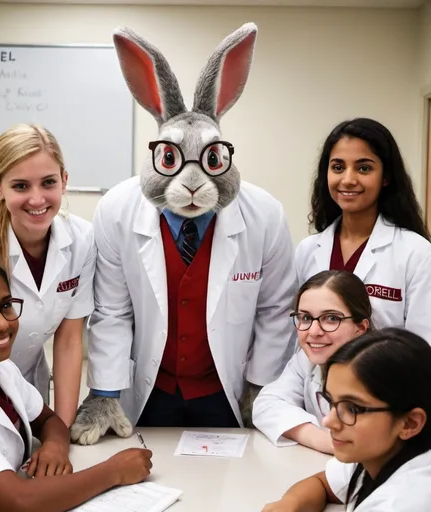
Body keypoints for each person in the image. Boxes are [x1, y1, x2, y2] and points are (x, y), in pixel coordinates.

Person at [70, 23, 298, 445]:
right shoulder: (118, 210)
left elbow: (275, 311)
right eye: (172, 157)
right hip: (150, 387)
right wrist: (104, 392)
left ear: (222, 155)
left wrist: (260, 389)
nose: (191, 181)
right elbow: (112, 312)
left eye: (210, 157)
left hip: (226, 390)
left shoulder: (264, 213)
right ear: (157, 153)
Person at [0, 253, 152, 512]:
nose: (1, 323)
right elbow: (18, 502)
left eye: (6, 305)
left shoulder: (0, 370)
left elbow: (48, 420)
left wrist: (54, 447)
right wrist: (114, 471)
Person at [0, 123, 96, 426]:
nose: (37, 199)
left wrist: (61, 430)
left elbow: (69, 342)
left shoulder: (82, 239)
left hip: (30, 387)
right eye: (20, 186)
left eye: (48, 182)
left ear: (64, 181)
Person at [262, 328, 431, 511]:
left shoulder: (402, 502)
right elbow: (323, 483)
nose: (328, 421)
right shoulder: (378, 454)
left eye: (352, 408)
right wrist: (289, 504)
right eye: (331, 402)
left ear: (409, 423)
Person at [295, 118, 431, 342]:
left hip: (385, 377)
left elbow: (422, 346)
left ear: (385, 177)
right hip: (315, 377)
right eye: (338, 167)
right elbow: (300, 337)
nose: (348, 180)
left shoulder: (417, 254)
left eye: (364, 168)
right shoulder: (307, 250)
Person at [253, 270, 370, 453]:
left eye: (331, 318)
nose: (314, 331)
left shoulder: (382, 374)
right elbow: (266, 404)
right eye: (306, 318)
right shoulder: (305, 361)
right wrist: (326, 442)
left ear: (360, 328)